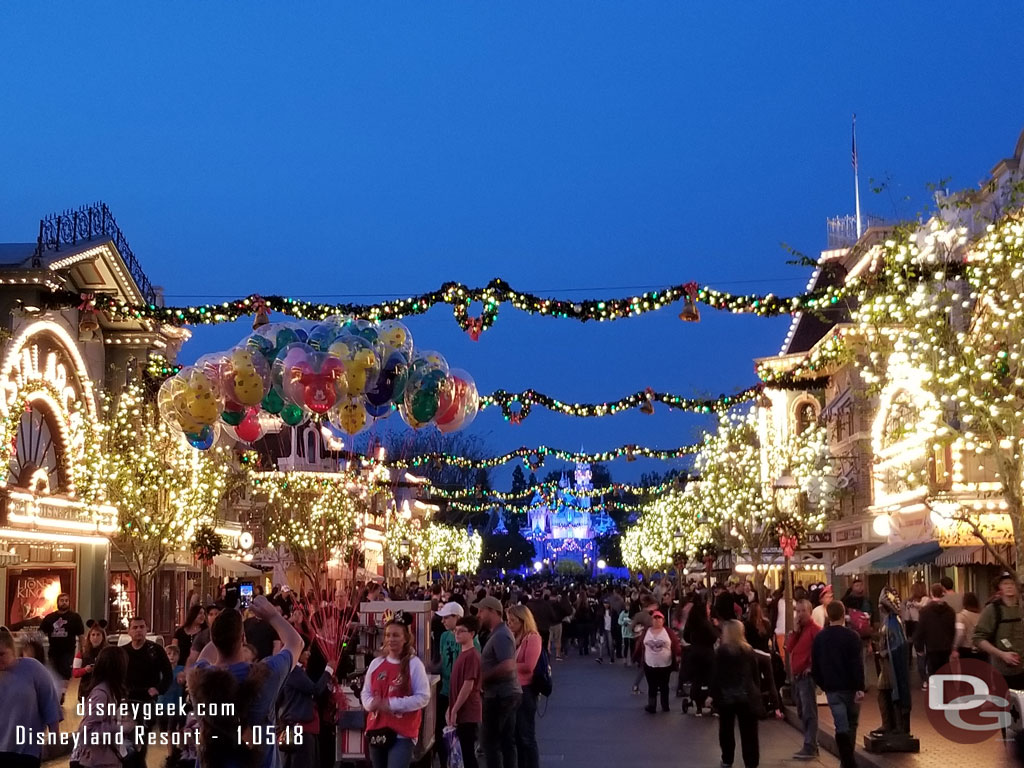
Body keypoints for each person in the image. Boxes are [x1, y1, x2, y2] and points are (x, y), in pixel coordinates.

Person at [189, 594, 304, 768]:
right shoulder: (266, 674)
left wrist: (226, 624)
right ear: (243, 638)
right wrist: (272, 615)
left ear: (213, 638)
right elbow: (296, 643)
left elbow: (206, 653)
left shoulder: (198, 679)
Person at [360, 618, 431, 768]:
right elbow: (366, 692)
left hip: (402, 733)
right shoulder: (376, 663)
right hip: (377, 730)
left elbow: (423, 697)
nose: (391, 639)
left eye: (396, 635)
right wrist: (371, 704)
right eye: (388, 635)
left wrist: (391, 704)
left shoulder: (414, 664)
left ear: (405, 638)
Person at [812, 602, 865, 768]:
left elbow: (816, 665)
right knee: (852, 723)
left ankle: (847, 760)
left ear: (828, 615)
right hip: (850, 687)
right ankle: (848, 761)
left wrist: (823, 683)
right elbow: (857, 664)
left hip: (833, 688)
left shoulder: (821, 637)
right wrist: (860, 687)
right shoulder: (852, 636)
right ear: (843, 615)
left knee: (840, 725)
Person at [0, 626, 62, 768]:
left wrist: (54, 738)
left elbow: (50, 704)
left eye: (2, 654)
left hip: (26, 750)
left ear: (13, 650)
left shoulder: (33, 669)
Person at [70, 646, 135, 768]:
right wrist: (120, 727)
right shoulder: (101, 694)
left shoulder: (110, 691)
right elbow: (88, 732)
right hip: (97, 760)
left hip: (105, 758)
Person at [477, 595, 521, 768]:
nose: (479, 615)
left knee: (491, 742)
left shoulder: (501, 635)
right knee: (505, 742)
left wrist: (484, 677)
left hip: (500, 695)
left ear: (493, 612)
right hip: (503, 694)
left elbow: (509, 665)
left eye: (482, 611)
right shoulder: (498, 634)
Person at [712, 620, 761, 768]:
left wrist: (712, 695)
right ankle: (751, 763)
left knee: (726, 730)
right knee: (749, 734)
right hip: (746, 696)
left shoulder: (721, 652)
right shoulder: (749, 651)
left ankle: (727, 759)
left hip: (726, 697)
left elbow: (716, 675)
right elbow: (754, 675)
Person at [123, 614, 172, 760]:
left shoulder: (155, 650)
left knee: (141, 741)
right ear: (129, 631)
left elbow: (168, 674)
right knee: (126, 741)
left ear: (146, 629)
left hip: (147, 700)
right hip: (127, 700)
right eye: (135, 627)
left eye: (142, 627)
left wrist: (158, 689)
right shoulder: (123, 651)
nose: (138, 630)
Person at [278, 645, 332, 768]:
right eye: (305, 650)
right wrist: (329, 671)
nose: (308, 654)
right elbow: (315, 689)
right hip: (299, 729)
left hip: (295, 728)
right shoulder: (294, 671)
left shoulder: (291, 671)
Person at [974, 572, 1024, 688]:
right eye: (1005, 583)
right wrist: (1002, 654)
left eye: (1012, 583)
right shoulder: (992, 610)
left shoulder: (1021, 609)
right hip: (1002, 672)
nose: (1009, 586)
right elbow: (978, 639)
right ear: (999, 588)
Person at [507, 604, 542, 768]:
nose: (510, 624)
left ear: (523, 621)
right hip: (514, 688)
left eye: (513, 621)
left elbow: (529, 665)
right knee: (517, 736)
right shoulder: (516, 637)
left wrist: (509, 665)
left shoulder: (533, 638)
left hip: (526, 690)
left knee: (526, 735)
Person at [435, 601, 469, 768]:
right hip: (444, 690)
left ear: (457, 617)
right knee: (441, 731)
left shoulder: (470, 638)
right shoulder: (444, 636)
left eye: (446, 618)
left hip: (461, 692)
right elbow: (442, 661)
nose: (443, 621)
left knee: (460, 734)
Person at [786, 599, 820, 760]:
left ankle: (810, 745)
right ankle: (811, 742)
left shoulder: (815, 630)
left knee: (808, 711)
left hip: (806, 676)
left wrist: (811, 667)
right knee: (801, 710)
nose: (799, 614)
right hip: (797, 675)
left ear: (809, 612)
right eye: (797, 611)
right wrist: (795, 631)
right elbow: (789, 648)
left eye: (802, 611)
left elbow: (821, 652)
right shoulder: (799, 631)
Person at [448, 616, 483, 768]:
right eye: (456, 630)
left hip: (468, 712)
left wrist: (455, 709)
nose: (457, 633)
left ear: (472, 634)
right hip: (461, 710)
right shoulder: (463, 654)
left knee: (467, 753)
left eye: (462, 631)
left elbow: (468, 685)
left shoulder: (472, 656)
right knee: (462, 752)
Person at [38, 592, 85, 700]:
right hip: (53, 651)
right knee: (53, 674)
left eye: (66, 600)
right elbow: (40, 634)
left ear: (69, 602)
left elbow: (81, 635)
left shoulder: (75, 617)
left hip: (68, 651)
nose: (64, 603)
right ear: (58, 602)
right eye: (62, 600)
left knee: (65, 674)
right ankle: (55, 695)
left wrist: (83, 649)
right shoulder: (50, 618)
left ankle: (62, 695)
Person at [913, 583, 956, 688]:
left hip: (932, 647)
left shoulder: (925, 611)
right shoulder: (950, 611)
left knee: (933, 672)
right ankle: (945, 696)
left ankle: (937, 698)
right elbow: (952, 630)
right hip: (946, 647)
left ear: (931, 593)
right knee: (945, 672)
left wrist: (919, 647)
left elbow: (921, 630)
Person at [637, 609, 680, 714]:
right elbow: (640, 645)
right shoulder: (646, 631)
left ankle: (665, 705)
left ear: (663, 620)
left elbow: (675, 644)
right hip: (650, 663)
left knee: (664, 685)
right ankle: (652, 705)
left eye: (659, 618)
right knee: (652, 685)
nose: (657, 620)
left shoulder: (668, 632)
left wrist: (678, 655)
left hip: (665, 664)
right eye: (655, 618)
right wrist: (637, 657)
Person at [681, 597, 717, 715]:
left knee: (697, 678)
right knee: (710, 677)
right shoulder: (706, 623)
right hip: (707, 653)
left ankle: (696, 703)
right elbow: (713, 637)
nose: (709, 610)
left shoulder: (691, 623)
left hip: (694, 652)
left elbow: (686, 636)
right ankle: (709, 699)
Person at [72, 620, 108, 701]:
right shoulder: (82, 653)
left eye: (98, 635)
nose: (95, 638)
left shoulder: (108, 652)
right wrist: (85, 670)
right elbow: (75, 672)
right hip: (86, 689)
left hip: (104, 688)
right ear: (89, 637)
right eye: (93, 635)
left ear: (103, 636)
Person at [955, 592, 983, 660]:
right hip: (981, 649)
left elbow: (960, 633)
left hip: (966, 649)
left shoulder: (960, 616)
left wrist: (955, 646)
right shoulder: (982, 616)